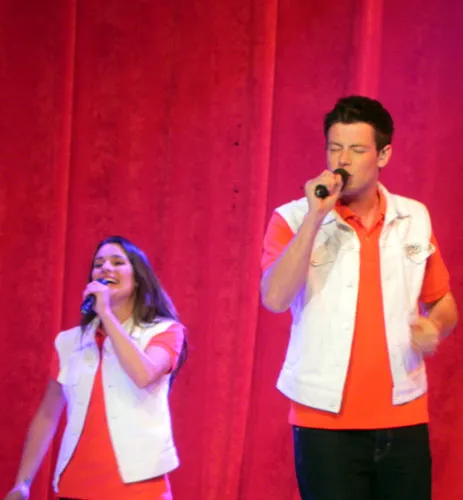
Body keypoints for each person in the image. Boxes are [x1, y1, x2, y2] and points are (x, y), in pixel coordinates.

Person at [260, 96, 458, 500]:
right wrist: (316, 216)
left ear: (383, 155)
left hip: (403, 417)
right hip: (325, 424)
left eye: (356, 149)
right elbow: (275, 298)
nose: (343, 160)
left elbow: (443, 302)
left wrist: (434, 327)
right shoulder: (293, 218)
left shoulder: (414, 218)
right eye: (335, 148)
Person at [5, 235, 187, 500]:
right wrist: (23, 482)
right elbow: (48, 414)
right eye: (98, 264)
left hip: (140, 489)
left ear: (137, 278)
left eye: (117, 262)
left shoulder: (164, 331)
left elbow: (143, 374)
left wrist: (106, 314)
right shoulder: (69, 341)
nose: (106, 268)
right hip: (75, 487)